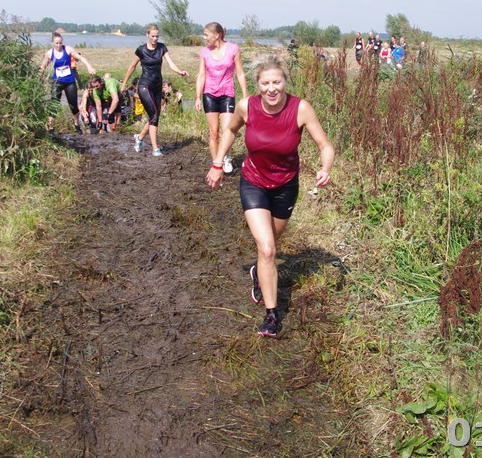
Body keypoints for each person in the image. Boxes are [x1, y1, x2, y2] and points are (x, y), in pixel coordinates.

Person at [205, 55, 334, 338]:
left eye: (277, 82)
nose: (271, 89)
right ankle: (272, 315)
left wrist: (325, 169)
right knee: (267, 250)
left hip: (286, 186)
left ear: (285, 82)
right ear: (258, 84)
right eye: (265, 83)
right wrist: (217, 162)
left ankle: (259, 273)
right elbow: (230, 130)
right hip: (253, 182)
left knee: (271, 244)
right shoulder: (246, 106)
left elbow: (325, 145)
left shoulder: (300, 109)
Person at [122, 24, 189, 156]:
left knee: (155, 116)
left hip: (157, 86)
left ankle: (139, 137)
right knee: (154, 116)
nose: (155, 39)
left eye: (157, 36)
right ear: (147, 35)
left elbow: (170, 63)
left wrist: (179, 71)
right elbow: (132, 67)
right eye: (152, 36)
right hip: (144, 85)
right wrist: (124, 83)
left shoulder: (162, 47)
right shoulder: (141, 50)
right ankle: (155, 148)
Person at [195, 22, 247, 173]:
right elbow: (201, 75)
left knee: (227, 130)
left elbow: (240, 73)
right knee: (214, 132)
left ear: (217, 35)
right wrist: (197, 97)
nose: (204, 37)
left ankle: (226, 157)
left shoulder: (233, 49)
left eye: (206, 34)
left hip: (227, 94)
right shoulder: (204, 52)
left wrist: (245, 96)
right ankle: (216, 165)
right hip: (209, 94)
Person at [39, 31, 96, 133]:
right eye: (56, 43)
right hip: (57, 81)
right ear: (53, 43)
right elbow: (43, 67)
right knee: (54, 103)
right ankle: (50, 126)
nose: (58, 45)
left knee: (73, 105)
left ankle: (76, 125)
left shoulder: (68, 49)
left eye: (60, 43)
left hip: (69, 81)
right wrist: (37, 78)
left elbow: (80, 58)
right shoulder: (50, 53)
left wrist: (89, 66)